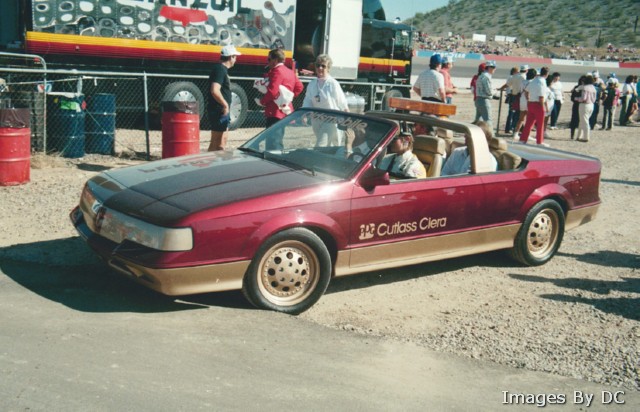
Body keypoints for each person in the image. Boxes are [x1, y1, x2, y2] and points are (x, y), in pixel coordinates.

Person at [260, 48, 304, 150]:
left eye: (269, 59)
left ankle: (274, 162)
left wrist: (262, 101)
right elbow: (299, 87)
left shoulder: (277, 71)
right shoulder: (289, 71)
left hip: (275, 110)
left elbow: (272, 91)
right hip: (284, 109)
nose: (268, 62)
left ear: (275, 60)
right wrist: (288, 97)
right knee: (278, 138)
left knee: (273, 141)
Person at [302, 54, 349, 146]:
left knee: (320, 145)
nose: (320, 68)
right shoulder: (312, 84)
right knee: (328, 146)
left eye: (323, 66)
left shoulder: (333, 84)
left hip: (330, 120)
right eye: (318, 65)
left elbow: (342, 101)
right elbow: (308, 100)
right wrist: (304, 113)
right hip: (316, 119)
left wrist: (346, 116)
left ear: (328, 68)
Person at [207, 44, 241, 151]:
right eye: (235, 57)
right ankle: (213, 163)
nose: (236, 60)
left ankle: (216, 162)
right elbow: (215, 90)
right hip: (219, 110)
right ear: (231, 57)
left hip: (221, 110)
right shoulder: (220, 70)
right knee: (217, 141)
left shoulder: (222, 69)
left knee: (222, 139)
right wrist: (225, 105)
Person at [519, 67, 550, 146]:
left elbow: (526, 91)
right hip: (538, 104)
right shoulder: (542, 82)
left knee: (529, 123)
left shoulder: (534, 80)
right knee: (540, 124)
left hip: (531, 103)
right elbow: (541, 96)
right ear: (547, 74)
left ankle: (523, 139)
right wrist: (543, 107)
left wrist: (528, 99)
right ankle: (539, 141)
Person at [574, 74, 597, 142]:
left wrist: (576, 98)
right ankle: (579, 136)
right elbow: (594, 99)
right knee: (583, 121)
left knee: (584, 121)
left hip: (584, 105)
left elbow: (583, 98)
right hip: (591, 105)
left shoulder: (585, 88)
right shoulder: (593, 88)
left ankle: (586, 137)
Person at [475, 60, 497, 128]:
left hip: (478, 99)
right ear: (489, 68)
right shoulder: (486, 77)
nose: (495, 69)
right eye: (494, 67)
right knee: (488, 120)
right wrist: (495, 92)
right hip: (484, 100)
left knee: (478, 120)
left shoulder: (481, 76)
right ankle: (490, 137)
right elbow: (489, 91)